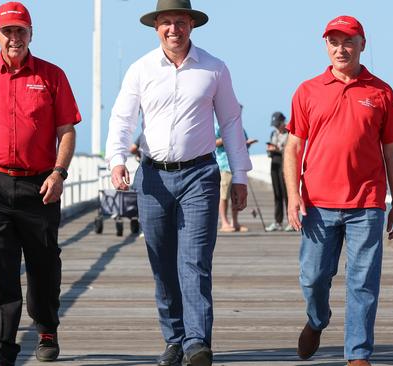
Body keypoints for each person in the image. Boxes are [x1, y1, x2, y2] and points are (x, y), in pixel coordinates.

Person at [104, 1, 251, 365]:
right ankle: (175, 339)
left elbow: (231, 122)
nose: (174, 29)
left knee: (195, 261)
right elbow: (122, 118)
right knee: (162, 261)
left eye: (180, 22)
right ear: (156, 27)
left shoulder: (214, 69)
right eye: (167, 22)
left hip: (200, 175)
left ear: (192, 25)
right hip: (152, 177)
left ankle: (197, 342)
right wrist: (117, 159)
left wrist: (240, 175)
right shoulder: (141, 70)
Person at [0, 2, 81, 365]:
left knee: (43, 264)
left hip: (39, 186)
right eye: (7, 31)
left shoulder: (52, 75)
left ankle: (46, 328)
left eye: (20, 30)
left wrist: (59, 172)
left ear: (31, 34)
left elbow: (66, 130)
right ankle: (1, 346)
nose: (14, 38)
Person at [283, 16, 393, 366]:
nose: (342, 48)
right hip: (317, 204)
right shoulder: (308, 90)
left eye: (349, 41)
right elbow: (293, 148)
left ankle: (358, 354)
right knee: (313, 277)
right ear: (326, 46)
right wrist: (294, 195)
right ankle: (317, 320)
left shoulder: (381, 91)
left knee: (363, 282)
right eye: (334, 41)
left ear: (362, 44)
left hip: (366, 204)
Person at [215, 117, 256, 233]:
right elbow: (213, 143)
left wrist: (247, 143)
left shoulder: (240, 128)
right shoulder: (218, 126)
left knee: (236, 196)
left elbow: (243, 144)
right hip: (224, 165)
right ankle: (224, 222)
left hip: (237, 167)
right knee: (224, 196)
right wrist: (227, 138)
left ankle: (235, 222)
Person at [265, 111, 292, 232]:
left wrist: (278, 149)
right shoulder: (273, 133)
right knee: (277, 194)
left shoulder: (289, 133)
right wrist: (270, 149)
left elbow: (290, 150)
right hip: (274, 164)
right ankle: (278, 221)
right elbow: (270, 151)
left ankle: (291, 221)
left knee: (287, 194)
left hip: (285, 164)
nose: (276, 126)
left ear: (283, 122)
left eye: (278, 124)